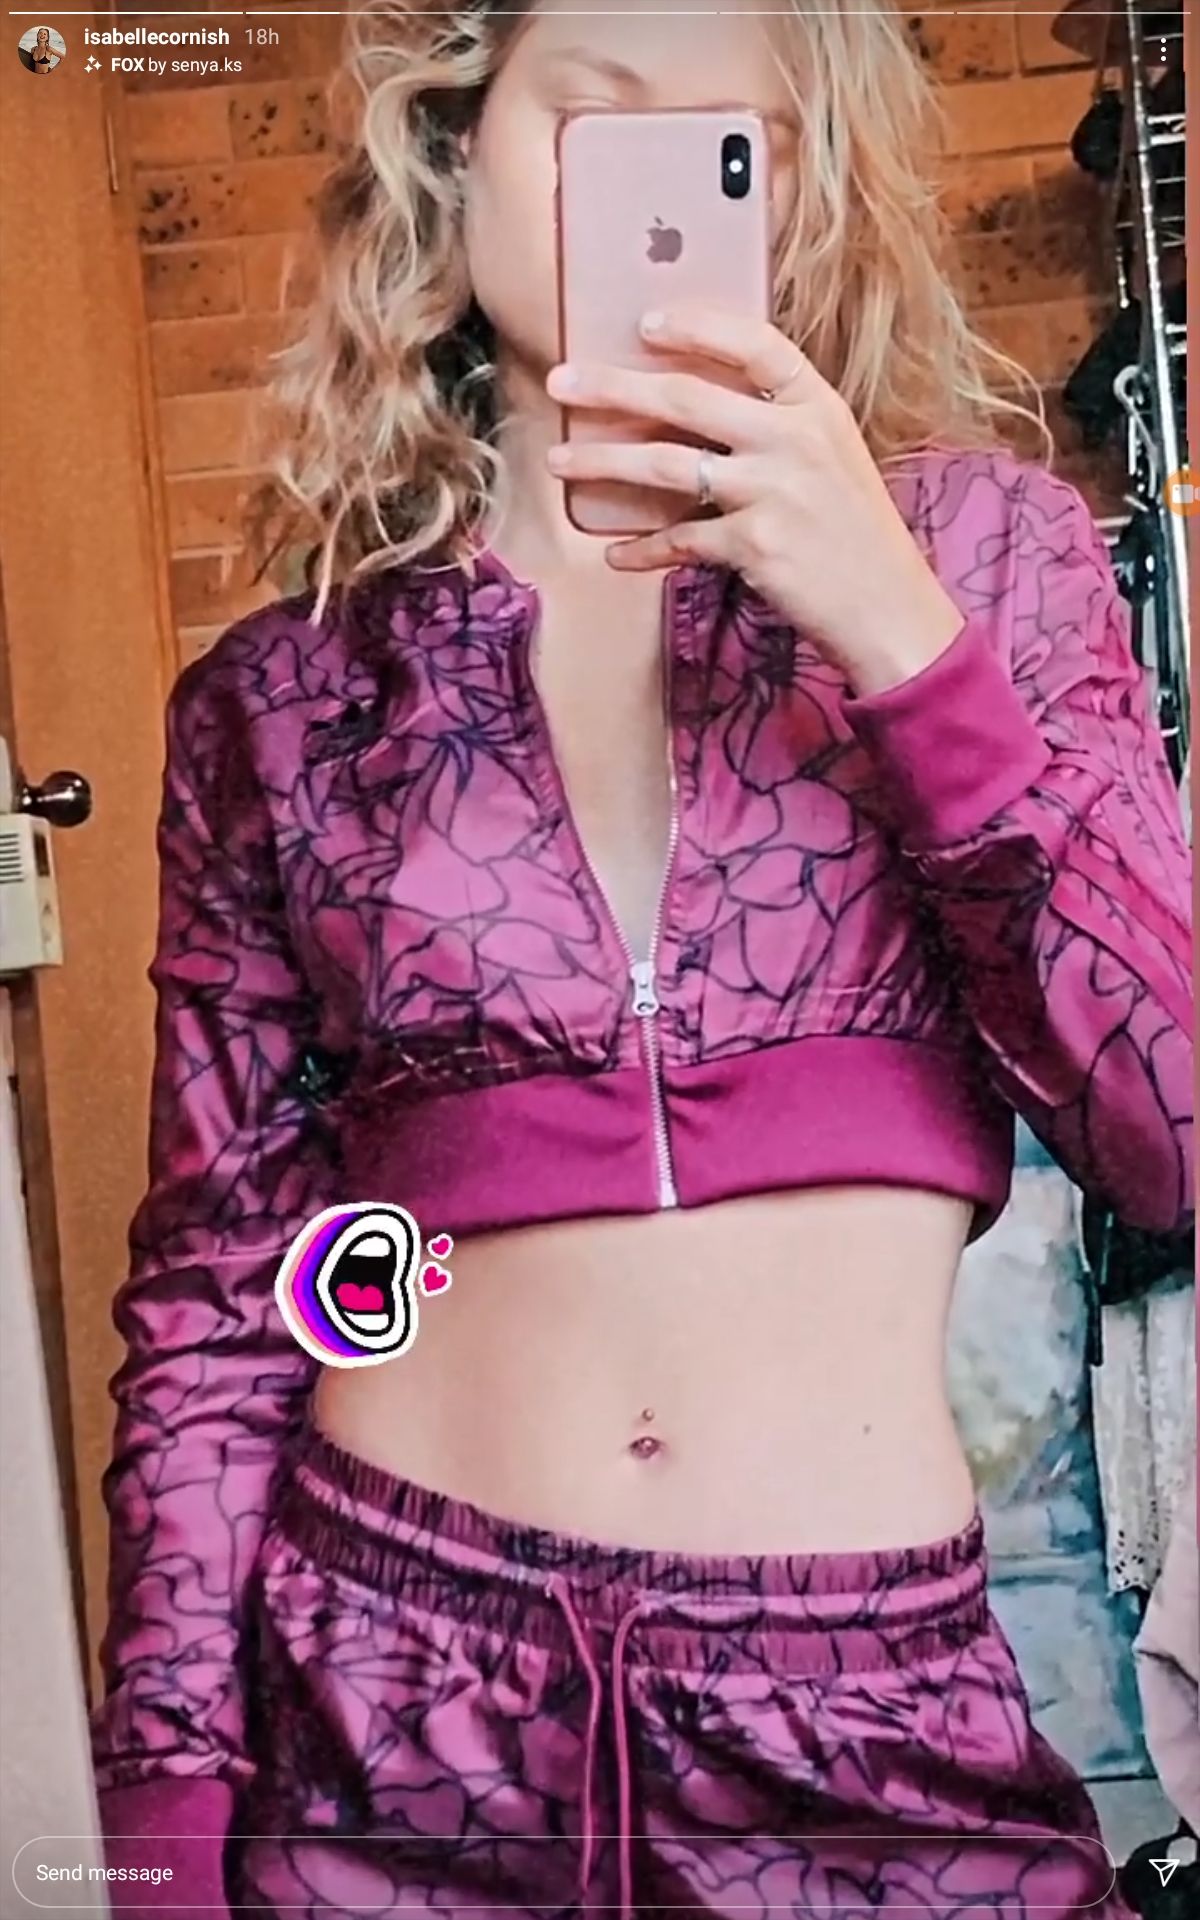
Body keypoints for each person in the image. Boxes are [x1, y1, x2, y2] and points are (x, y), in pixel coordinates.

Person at [89, 3, 1193, 1915]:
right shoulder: (287, 698)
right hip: (392, 1691)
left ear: (803, 192)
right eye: (595, 121)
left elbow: (1170, 1129)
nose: (652, 197)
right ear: (458, 151)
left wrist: (897, 635)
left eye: (725, 145)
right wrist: (168, 1810)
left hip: (859, 1706)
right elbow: (229, 1287)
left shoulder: (985, 559)